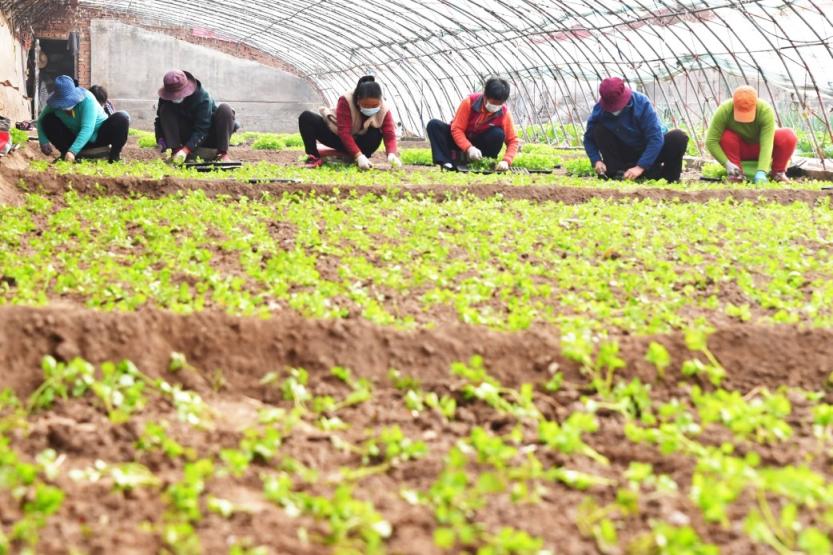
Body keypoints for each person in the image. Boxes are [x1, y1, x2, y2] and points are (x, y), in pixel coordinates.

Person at [583, 77, 689, 182]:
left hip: (649, 149)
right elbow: (588, 138)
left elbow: (655, 138)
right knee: (598, 130)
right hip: (626, 154)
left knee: (678, 137)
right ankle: (617, 174)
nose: (614, 110)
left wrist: (640, 167)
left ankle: (669, 179)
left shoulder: (641, 103)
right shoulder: (599, 110)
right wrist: (596, 160)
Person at [298, 76, 400, 170]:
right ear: (358, 100)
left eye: (374, 106)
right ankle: (314, 157)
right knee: (306, 117)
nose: (370, 108)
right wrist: (358, 156)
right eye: (366, 105)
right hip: (338, 138)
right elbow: (344, 132)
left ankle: (358, 156)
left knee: (375, 133)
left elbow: (389, 133)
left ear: (380, 101)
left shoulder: (383, 108)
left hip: (362, 143)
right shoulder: (346, 100)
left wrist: (391, 154)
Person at [706, 86, 797, 184]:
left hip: (760, 148)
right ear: (734, 103)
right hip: (740, 150)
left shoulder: (764, 110)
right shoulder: (725, 110)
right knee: (725, 136)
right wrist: (727, 164)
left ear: (755, 104)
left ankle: (777, 173)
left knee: (788, 136)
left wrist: (761, 171)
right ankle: (736, 175)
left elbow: (767, 144)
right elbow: (711, 141)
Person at [426, 77, 519, 171]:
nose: (496, 106)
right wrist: (469, 148)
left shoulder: (504, 113)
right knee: (434, 125)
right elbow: (457, 129)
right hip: (459, 141)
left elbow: (513, 140)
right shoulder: (469, 102)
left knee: (498, 134)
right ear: (485, 96)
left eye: (500, 103)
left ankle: (483, 163)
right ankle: (447, 162)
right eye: (493, 102)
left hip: (480, 145)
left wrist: (506, 160)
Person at [36, 75, 129, 163]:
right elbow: (40, 120)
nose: (64, 105)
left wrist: (73, 151)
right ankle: (66, 154)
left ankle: (114, 157)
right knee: (48, 120)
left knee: (122, 117)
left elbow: (87, 128)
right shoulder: (54, 104)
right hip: (76, 138)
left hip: (99, 137)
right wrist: (43, 141)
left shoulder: (87, 99)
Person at [154, 70, 236, 163]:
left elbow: (203, 128)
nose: (175, 97)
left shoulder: (202, 97)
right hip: (185, 136)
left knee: (225, 109)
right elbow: (159, 120)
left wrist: (186, 150)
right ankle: (176, 151)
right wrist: (161, 141)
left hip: (208, 136)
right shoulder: (166, 99)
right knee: (165, 109)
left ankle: (221, 154)